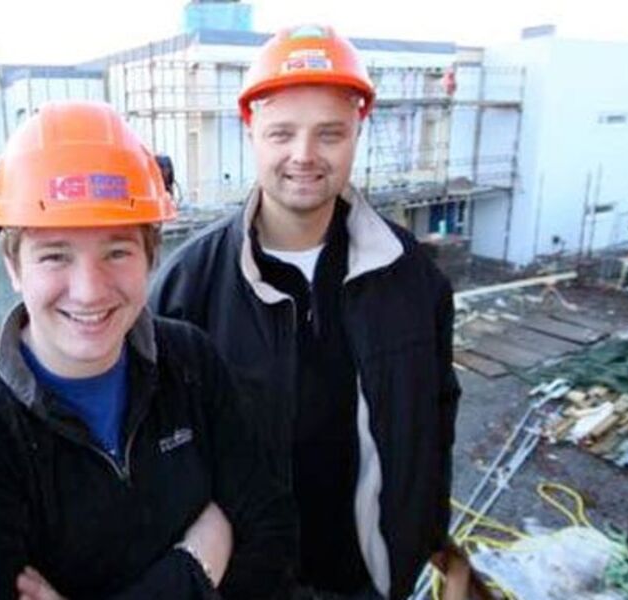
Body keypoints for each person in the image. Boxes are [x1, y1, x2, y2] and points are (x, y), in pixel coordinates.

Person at [0, 101, 296, 600]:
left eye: (117, 252)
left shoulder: (191, 364)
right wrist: (195, 566)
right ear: (14, 267)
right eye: (55, 256)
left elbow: (271, 539)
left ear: (151, 257)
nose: (88, 291)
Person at [150, 25, 463, 599]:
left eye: (330, 133)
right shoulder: (188, 287)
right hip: (246, 587)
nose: (304, 155)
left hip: (372, 578)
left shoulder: (410, 275)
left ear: (358, 130)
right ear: (250, 130)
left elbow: (436, 415)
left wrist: (427, 535)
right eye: (282, 133)